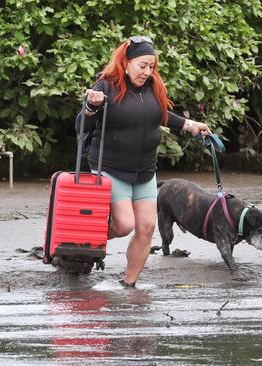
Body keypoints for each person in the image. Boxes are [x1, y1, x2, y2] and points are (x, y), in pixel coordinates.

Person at [75, 35, 212, 288]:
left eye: (151, 66)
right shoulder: (106, 87)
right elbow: (82, 126)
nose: (148, 72)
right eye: (142, 66)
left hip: (144, 170)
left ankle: (129, 285)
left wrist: (191, 125)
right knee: (125, 224)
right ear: (126, 62)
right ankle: (79, 244)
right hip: (110, 167)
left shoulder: (152, 86)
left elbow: (159, 114)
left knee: (147, 227)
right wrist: (91, 108)